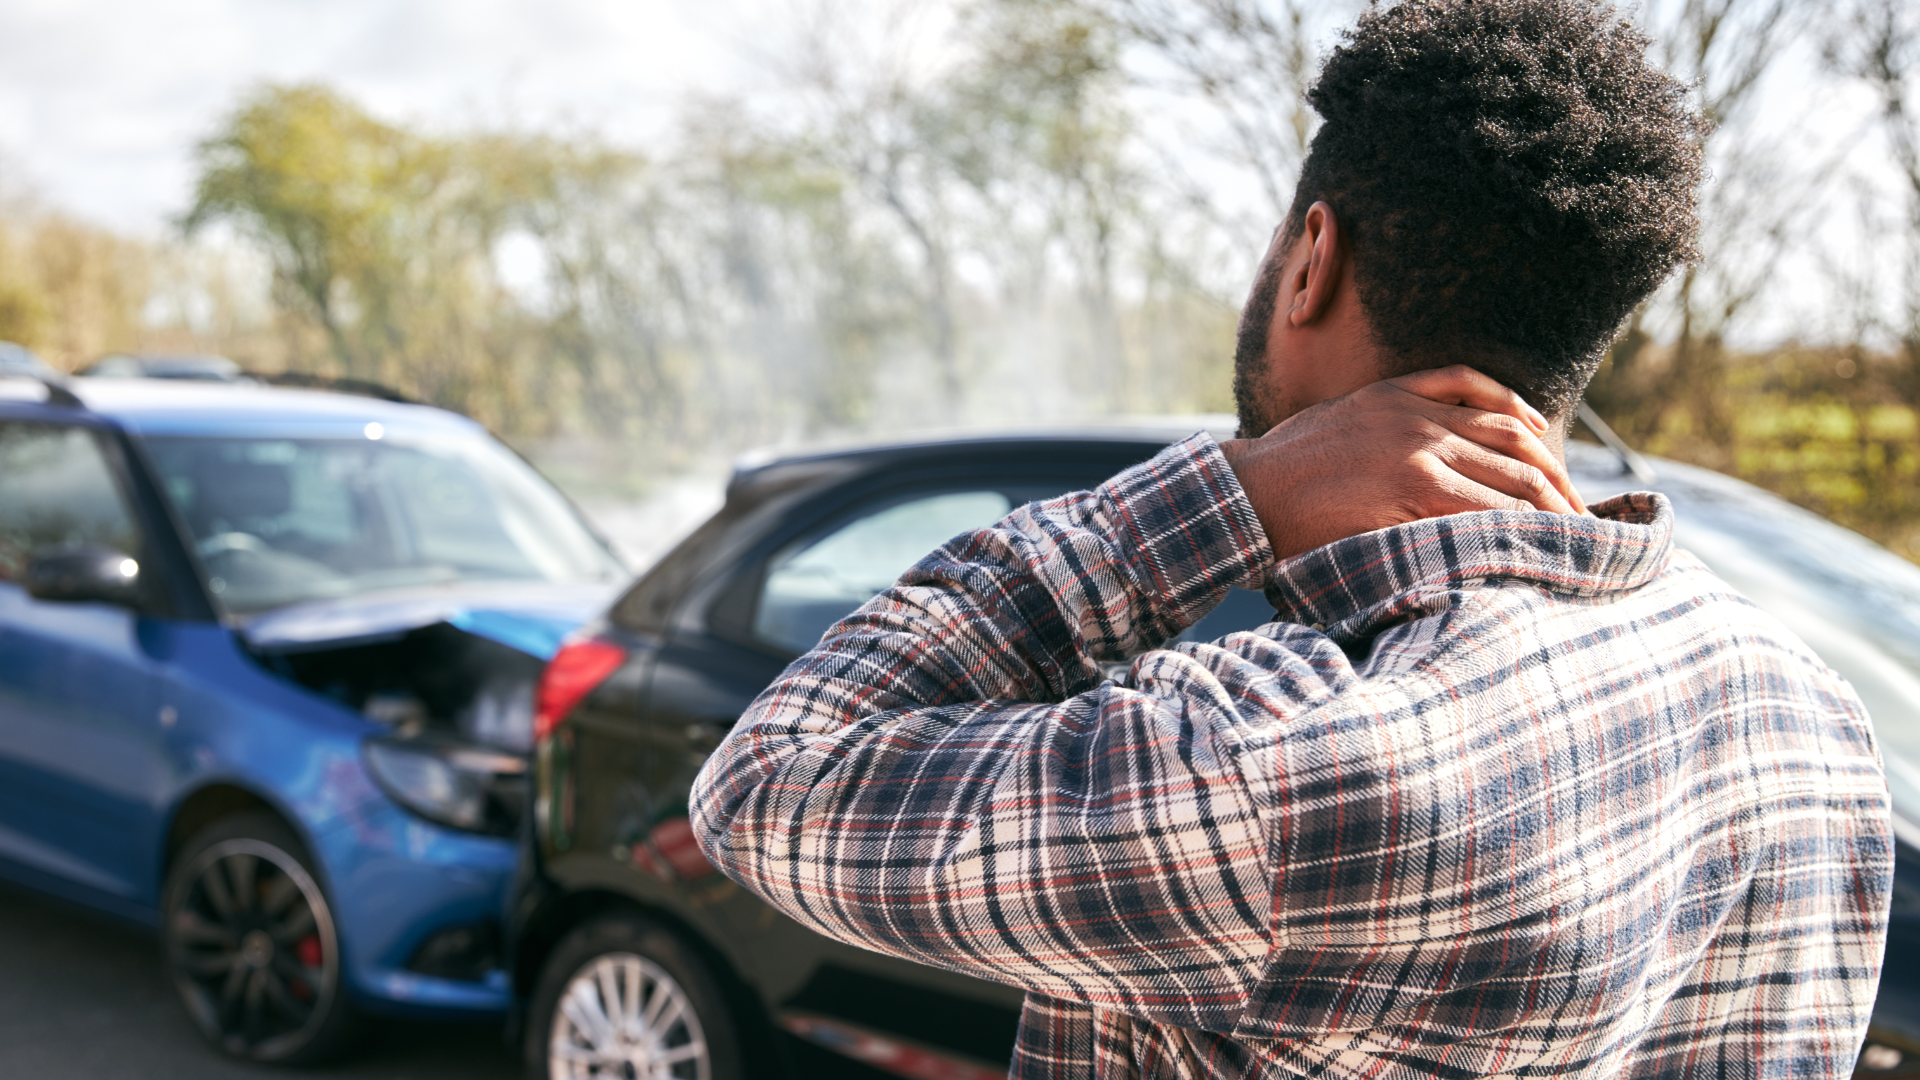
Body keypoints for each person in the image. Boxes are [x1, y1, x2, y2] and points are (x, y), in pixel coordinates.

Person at [690, 0, 1893, 1075]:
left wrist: (1234, 493)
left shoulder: (1276, 762)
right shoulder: (1809, 713)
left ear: (1312, 258)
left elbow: (770, 781)